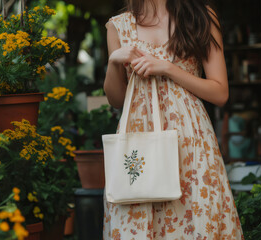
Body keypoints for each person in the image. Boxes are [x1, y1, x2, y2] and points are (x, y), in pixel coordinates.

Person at [103, 0, 244, 239]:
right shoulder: (118, 26)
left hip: (191, 143)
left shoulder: (201, 15)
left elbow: (220, 93)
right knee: (136, 222)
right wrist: (114, 62)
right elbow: (116, 100)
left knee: (198, 221)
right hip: (140, 141)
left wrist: (168, 68)